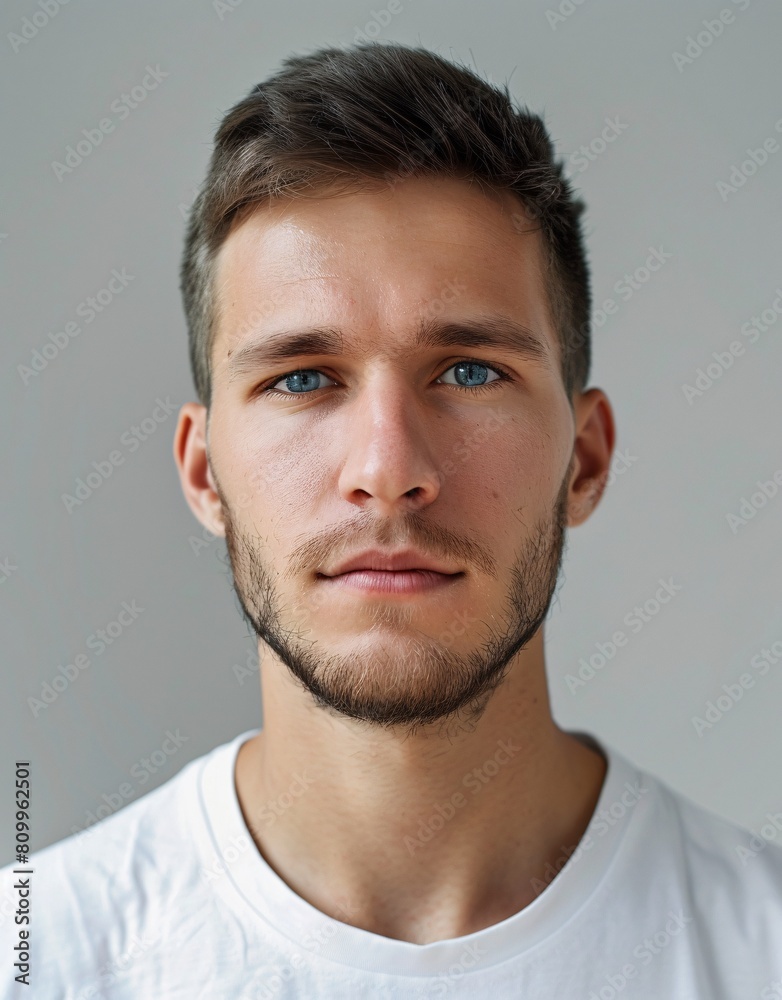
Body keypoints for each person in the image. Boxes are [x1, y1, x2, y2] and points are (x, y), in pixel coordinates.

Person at [3, 40, 781, 999]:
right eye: (301, 378)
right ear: (206, 474)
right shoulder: (37, 959)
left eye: (468, 371)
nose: (388, 470)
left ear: (583, 458)